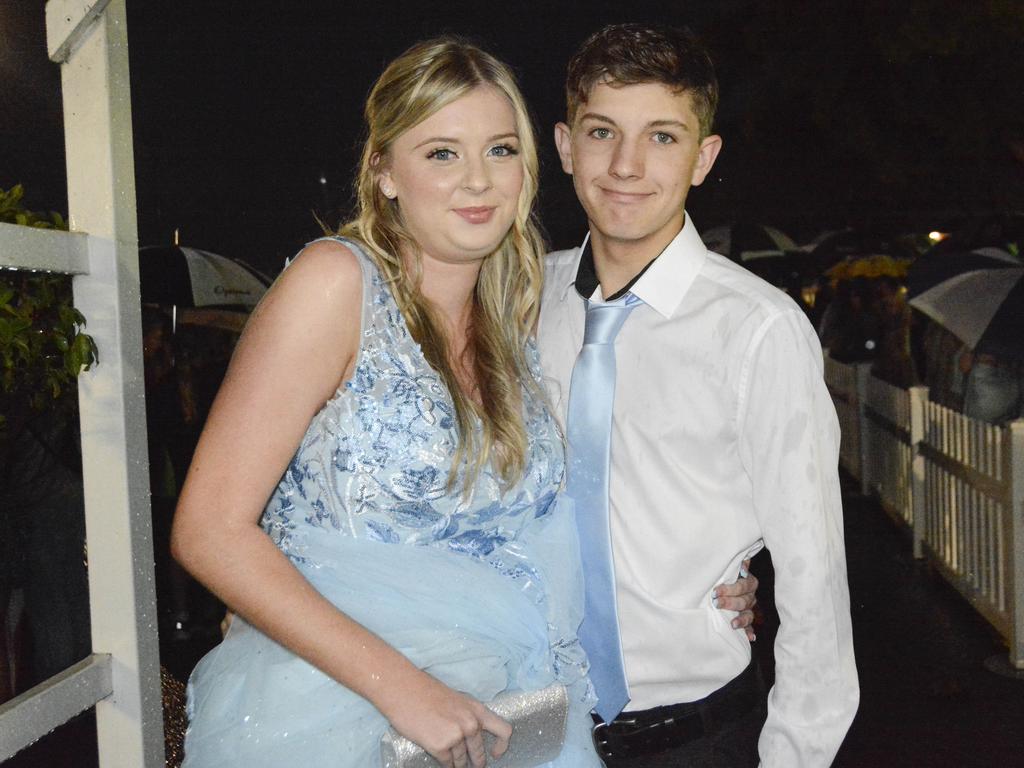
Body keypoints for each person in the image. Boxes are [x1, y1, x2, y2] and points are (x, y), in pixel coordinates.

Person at [538, 24, 859, 766]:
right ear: (563, 146)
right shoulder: (521, 299)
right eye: (601, 132)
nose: (625, 164)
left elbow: (814, 577)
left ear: (704, 157)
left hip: (695, 738)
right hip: (533, 726)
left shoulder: (757, 329)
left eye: (662, 136)